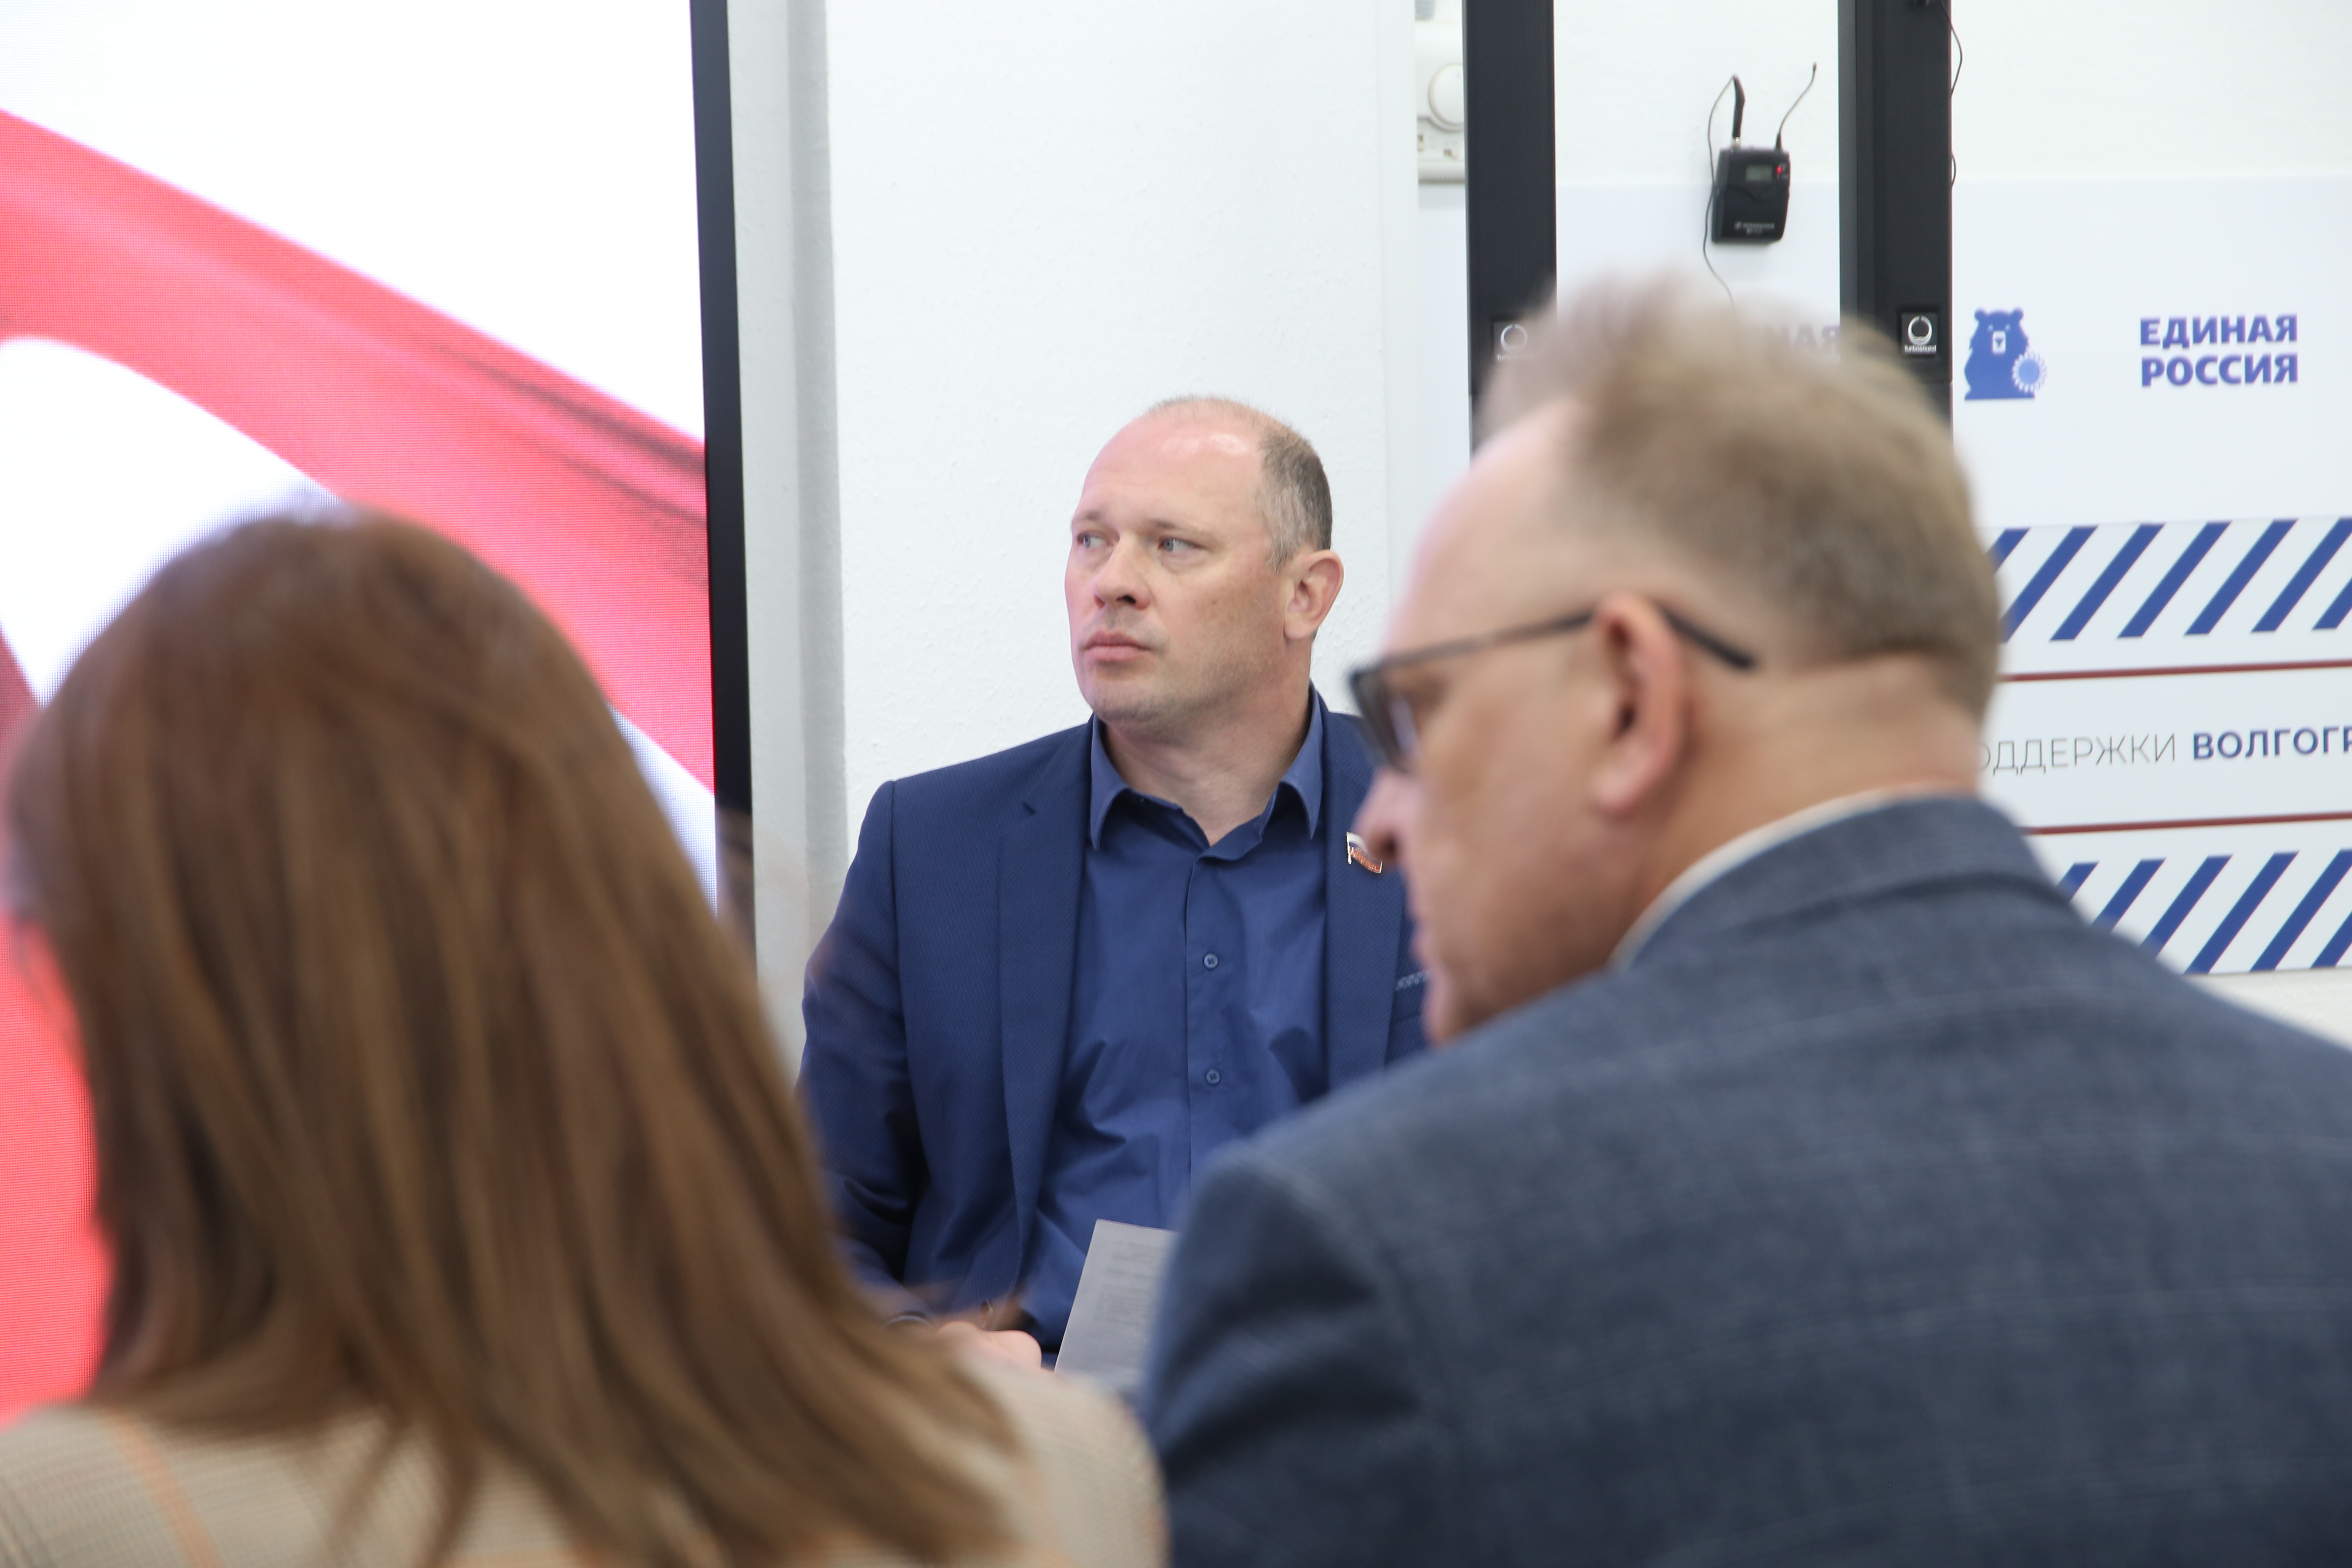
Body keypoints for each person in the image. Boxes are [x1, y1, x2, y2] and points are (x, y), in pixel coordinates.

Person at [1141, 281, 2352, 1565]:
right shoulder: (2323, 1154)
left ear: (1629, 700)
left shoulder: (1372, 1252)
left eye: (1418, 716)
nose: (1383, 818)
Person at [0, 513, 1164, 1568]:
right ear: (632, 908)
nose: (1114, 581)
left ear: (157, 1013)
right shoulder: (1065, 1472)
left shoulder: (64, 1519)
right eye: (1091, 539)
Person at [800, 398, 1424, 1362]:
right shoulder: (929, 851)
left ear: (1306, 594)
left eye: (1173, 547)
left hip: (1357, 1415)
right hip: (1033, 1422)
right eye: (1092, 540)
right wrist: (935, 1363)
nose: (1113, 582)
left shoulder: (1450, 825)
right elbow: (810, 1223)